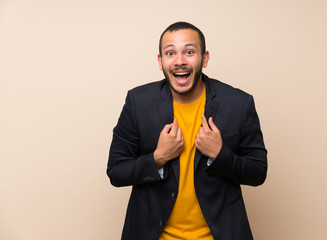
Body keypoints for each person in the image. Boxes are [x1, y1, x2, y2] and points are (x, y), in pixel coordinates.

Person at [107, 21, 267, 240]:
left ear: (205, 58)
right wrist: (158, 158)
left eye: (189, 52)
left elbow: (258, 172)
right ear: (160, 60)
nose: (180, 61)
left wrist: (221, 155)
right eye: (170, 53)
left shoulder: (238, 104)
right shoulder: (138, 102)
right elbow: (116, 171)